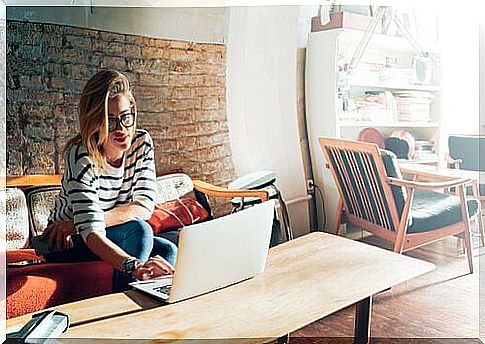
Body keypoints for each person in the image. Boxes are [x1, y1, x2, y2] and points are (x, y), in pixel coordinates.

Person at [43, 69, 177, 291]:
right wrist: (133, 266)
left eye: (125, 116)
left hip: (83, 228)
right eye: (110, 120)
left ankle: (158, 307)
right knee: (140, 231)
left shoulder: (141, 143)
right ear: (95, 121)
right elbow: (92, 232)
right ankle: (125, 311)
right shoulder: (81, 157)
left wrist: (79, 223)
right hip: (62, 242)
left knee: (167, 250)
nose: (121, 128)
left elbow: (144, 207)